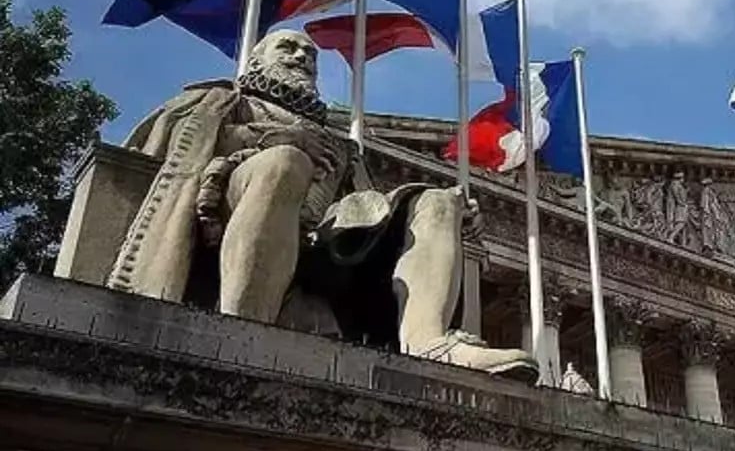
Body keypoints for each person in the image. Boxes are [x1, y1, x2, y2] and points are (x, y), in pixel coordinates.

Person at [105, 29, 536, 381]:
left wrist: (456, 221)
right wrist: (275, 139)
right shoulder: (226, 103)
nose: (301, 57)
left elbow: (364, 208)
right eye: (287, 48)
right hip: (227, 209)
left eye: (310, 53)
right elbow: (173, 149)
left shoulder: (341, 146)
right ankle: (242, 331)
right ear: (256, 61)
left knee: (439, 199)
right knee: (284, 164)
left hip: (321, 244)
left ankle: (428, 341)